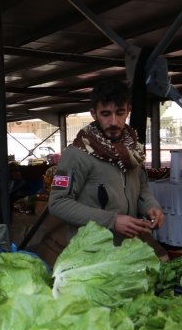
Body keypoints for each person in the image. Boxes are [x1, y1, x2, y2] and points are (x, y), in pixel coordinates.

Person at [49, 80, 164, 243]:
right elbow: (58, 203)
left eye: (119, 113)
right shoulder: (77, 154)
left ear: (128, 111)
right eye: (105, 114)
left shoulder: (134, 152)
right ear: (93, 113)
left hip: (127, 250)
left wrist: (151, 207)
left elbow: (142, 187)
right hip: (90, 254)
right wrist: (112, 220)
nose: (113, 122)